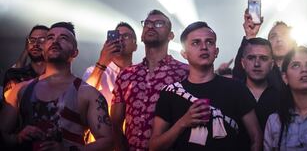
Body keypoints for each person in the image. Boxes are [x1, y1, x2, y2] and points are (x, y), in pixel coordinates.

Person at [150, 21, 262, 151]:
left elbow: (256, 138)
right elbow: (154, 147)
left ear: (216, 51)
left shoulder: (236, 89)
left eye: (209, 42)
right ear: (184, 53)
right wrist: (183, 123)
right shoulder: (170, 93)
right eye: (196, 43)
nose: (204, 47)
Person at [0, 22, 113, 150]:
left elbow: (107, 141)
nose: (55, 41)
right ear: (43, 50)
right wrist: (18, 138)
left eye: (63, 38)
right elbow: (2, 134)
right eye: (50, 37)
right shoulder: (20, 90)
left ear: (75, 52)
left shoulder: (88, 94)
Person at [111, 10, 188, 151]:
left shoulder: (184, 72)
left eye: (159, 23)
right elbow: (115, 124)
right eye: (147, 23)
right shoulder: (126, 75)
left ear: (171, 36)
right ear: (141, 36)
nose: (151, 26)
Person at [233, 9, 296, 83]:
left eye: (284, 35)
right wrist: (250, 35)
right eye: (273, 36)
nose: (279, 39)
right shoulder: (260, 71)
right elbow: (238, 75)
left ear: (293, 41)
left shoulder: (305, 67)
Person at [83, 22, 137, 105]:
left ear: (135, 46)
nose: (120, 39)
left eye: (126, 36)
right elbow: (84, 98)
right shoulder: (93, 71)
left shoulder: (140, 74)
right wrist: (101, 63)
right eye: (117, 36)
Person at [2, 25, 48, 100]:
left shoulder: (58, 77)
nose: (35, 44)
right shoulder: (14, 74)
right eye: (32, 40)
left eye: (42, 40)